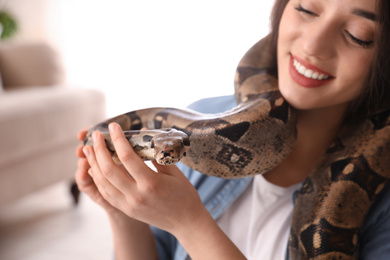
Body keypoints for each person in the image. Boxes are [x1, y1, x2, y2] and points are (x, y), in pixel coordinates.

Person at [75, 0, 390, 259]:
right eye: (306, 9)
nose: (312, 45)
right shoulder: (199, 125)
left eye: (358, 34)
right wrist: (121, 211)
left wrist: (190, 223)